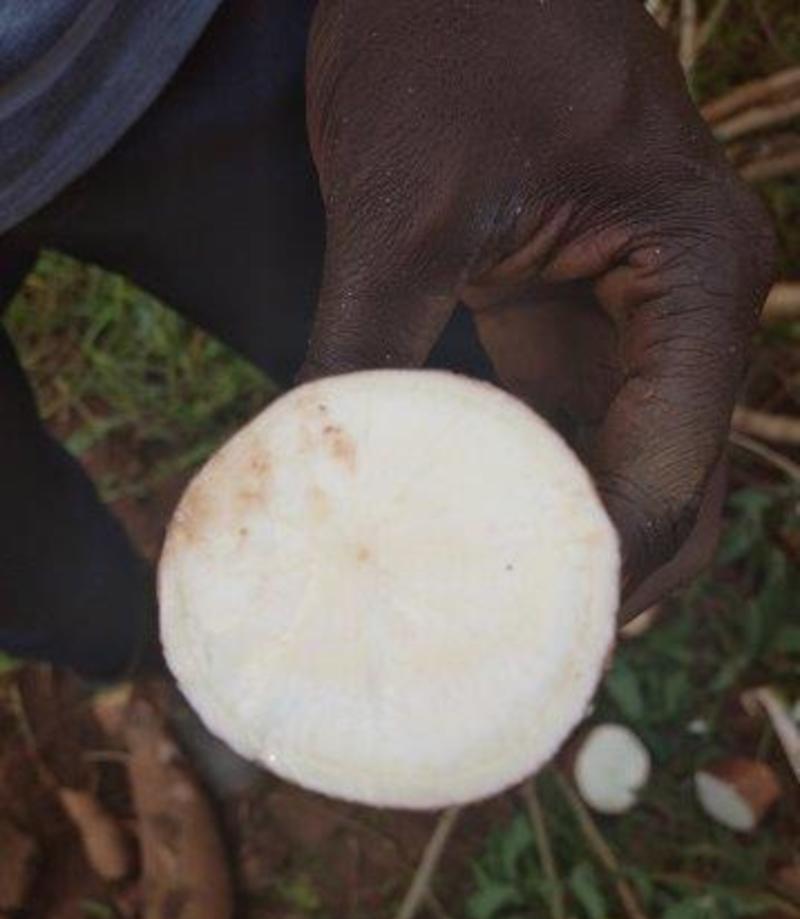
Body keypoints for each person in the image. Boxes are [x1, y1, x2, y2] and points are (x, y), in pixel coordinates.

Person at [0, 0, 775, 684]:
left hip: (185, 39)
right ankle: (156, 663)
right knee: (33, 577)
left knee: (446, 356)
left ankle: (457, 608)